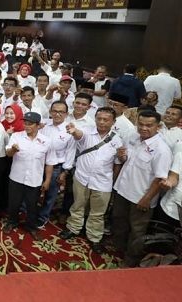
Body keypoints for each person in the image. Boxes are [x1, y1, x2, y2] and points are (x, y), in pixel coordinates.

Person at [59, 107, 125, 254]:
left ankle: (94, 237)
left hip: (103, 182)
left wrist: (121, 160)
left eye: (106, 119)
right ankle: (73, 228)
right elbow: (78, 135)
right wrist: (73, 130)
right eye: (99, 119)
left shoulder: (117, 139)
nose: (101, 122)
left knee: (97, 212)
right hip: (82, 177)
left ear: (113, 122)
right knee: (78, 205)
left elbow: (118, 163)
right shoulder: (87, 130)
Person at [111, 110, 172, 267]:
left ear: (158, 127)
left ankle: (131, 260)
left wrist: (147, 199)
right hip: (123, 189)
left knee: (137, 231)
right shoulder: (133, 137)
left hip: (141, 197)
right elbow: (126, 161)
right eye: (141, 124)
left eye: (149, 125)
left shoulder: (161, 149)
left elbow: (160, 178)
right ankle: (119, 247)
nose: (144, 128)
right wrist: (121, 156)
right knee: (119, 220)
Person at [3, 112, 56, 241]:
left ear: (38, 125)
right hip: (17, 177)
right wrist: (13, 150)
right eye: (25, 123)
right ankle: (12, 222)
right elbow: (8, 153)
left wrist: (47, 180)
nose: (27, 126)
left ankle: (31, 227)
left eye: (30, 124)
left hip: (35, 179)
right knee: (13, 203)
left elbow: (49, 162)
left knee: (32, 205)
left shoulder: (46, 141)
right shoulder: (16, 136)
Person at [37, 101, 76, 227]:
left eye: (61, 112)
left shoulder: (69, 131)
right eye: (54, 111)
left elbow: (70, 152)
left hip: (56, 167)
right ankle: (28, 211)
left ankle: (43, 217)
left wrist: (65, 172)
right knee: (34, 189)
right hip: (39, 163)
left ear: (66, 114)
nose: (57, 114)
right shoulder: (43, 125)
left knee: (51, 194)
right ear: (50, 112)